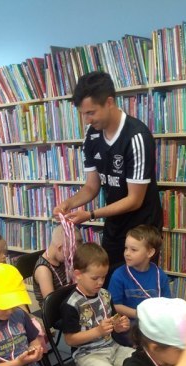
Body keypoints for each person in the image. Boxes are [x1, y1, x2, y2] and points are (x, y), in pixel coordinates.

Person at [53, 71, 162, 267]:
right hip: (114, 226)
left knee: (137, 284)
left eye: (91, 112)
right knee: (108, 279)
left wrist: (91, 215)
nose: (87, 120)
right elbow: (91, 187)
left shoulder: (137, 137)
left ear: (109, 102)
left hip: (142, 232)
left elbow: (134, 200)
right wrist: (69, 203)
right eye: (83, 114)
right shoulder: (91, 136)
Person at [61, 242, 132, 366]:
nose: (100, 282)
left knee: (144, 362)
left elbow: (113, 321)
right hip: (87, 355)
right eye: (95, 278)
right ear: (78, 275)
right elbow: (70, 340)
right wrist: (98, 331)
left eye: (103, 277)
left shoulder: (105, 295)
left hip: (112, 346)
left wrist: (119, 326)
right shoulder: (71, 304)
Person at [108, 225, 171, 323]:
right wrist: (139, 314)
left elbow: (167, 303)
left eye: (133, 250)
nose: (127, 253)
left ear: (150, 252)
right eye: (126, 248)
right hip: (128, 326)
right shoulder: (118, 275)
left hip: (154, 324)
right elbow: (115, 305)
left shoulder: (160, 275)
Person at [33, 225, 81, 309]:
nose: (72, 257)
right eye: (70, 253)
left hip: (70, 303)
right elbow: (51, 304)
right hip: (56, 311)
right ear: (60, 248)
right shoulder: (43, 270)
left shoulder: (61, 259)